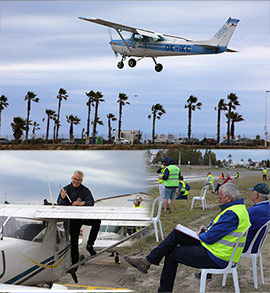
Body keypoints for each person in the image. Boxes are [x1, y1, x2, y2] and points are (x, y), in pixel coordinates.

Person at [124, 183, 250, 292]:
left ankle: (156, 277)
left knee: (172, 253)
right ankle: (147, 261)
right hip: (217, 250)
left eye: (220, 199)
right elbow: (219, 231)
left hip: (217, 257)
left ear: (228, 198)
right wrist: (205, 230)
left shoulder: (232, 214)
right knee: (177, 233)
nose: (219, 201)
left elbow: (210, 238)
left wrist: (202, 233)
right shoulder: (238, 209)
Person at [57, 170, 101, 267]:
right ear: (71, 178)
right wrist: (63, 198)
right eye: (75, 179)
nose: (76, 181)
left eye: (79, 180)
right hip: (72, 220)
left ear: (82, 180)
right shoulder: (65, 189)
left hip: (82, 217)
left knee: (97, 221)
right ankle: (75, 263)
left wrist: (82, 203)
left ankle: (90, 245)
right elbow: (59, 205)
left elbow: (91, 202)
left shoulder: (85, 190)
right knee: (74, 241)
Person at [244, 183, 270, 253]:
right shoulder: (267, 207)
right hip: (256, 245)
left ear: (256, 196)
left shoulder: (254, 211)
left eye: (252, 192)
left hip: (247, 246)